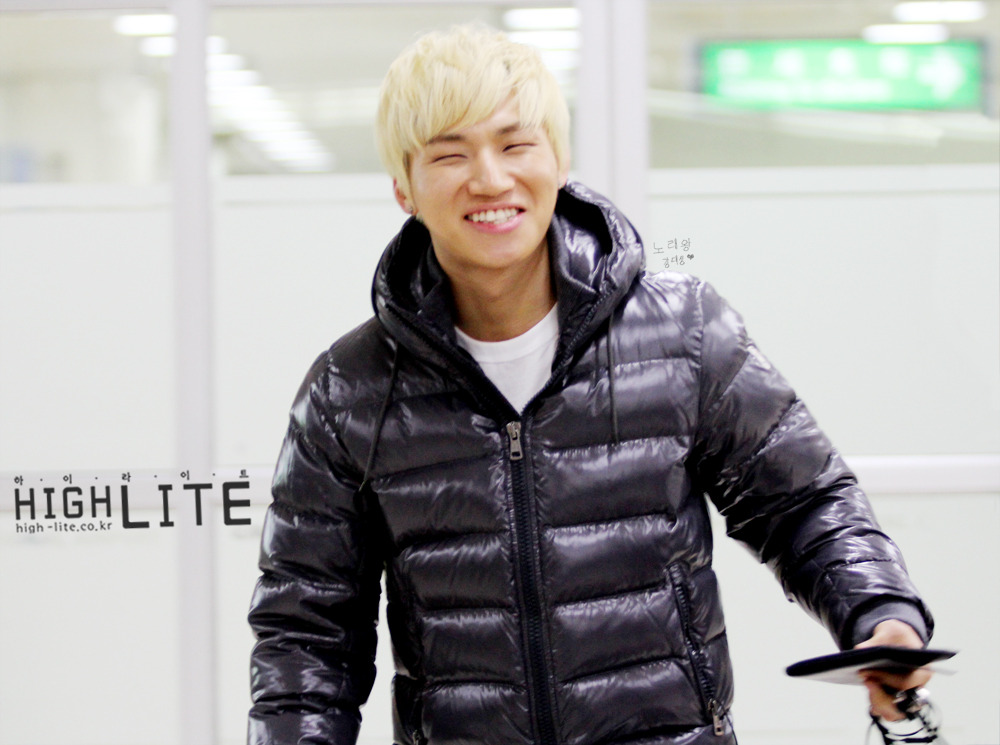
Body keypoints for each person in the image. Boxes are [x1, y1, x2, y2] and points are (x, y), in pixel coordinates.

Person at [247, 24, 934, 745]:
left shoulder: (682, 333)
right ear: (404, 188)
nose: (490, 179)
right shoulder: (349, 391)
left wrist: (879, 612)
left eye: (515, 145)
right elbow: (307, 631)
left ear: (559, 160)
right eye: (450, 154)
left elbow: (803, 502)